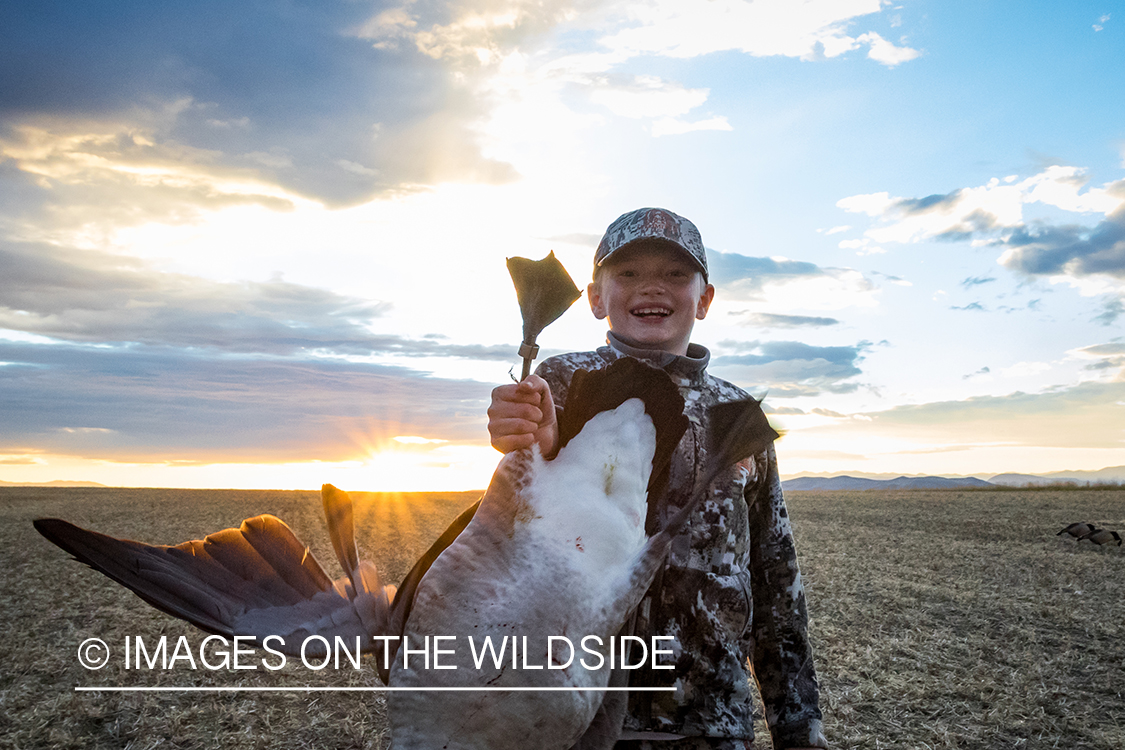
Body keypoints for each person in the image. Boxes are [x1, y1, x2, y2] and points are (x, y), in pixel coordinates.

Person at [488, 208, 828, 750]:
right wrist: (532, 445)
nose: (651, 287)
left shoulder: (737, 415)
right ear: (597, 298)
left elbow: (777, 588)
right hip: (571, 720)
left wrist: (800, 732)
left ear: (706, 298)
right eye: (627, 273)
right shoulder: (557, 383)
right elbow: (507, 547)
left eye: (674, 274)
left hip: (712, 727)